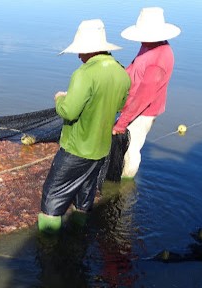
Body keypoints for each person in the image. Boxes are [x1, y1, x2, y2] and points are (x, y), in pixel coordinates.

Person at [37, 19, 131, 233]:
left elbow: (68, 111)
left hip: (76, 148)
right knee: (85, 194)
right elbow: (120, 105)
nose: (79, 56)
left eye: (81, 51)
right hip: (99, 149)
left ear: (90, 49)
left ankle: (48, 249)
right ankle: (80, 238)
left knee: (52, 196)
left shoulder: (84, 74)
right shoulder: (121, 72)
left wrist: (60, 99)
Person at [112, 7, 181, 178]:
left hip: (143, 112)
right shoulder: (147, 46)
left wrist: (121, 123)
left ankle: (125, 184)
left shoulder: (160, 57)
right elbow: (132, 69)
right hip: (132, 106)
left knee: (131, 148)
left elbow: (144, 97)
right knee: (124, 147)